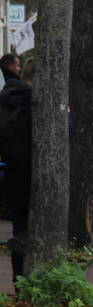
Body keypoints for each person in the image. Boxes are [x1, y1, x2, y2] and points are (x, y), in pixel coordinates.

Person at [0, 59, 33, 286]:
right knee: (34, 228)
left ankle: (18, 280)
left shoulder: (6, 98)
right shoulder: (33, 101)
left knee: (19, 226)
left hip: (12, 170)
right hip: (32, 171)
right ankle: (34, 283)